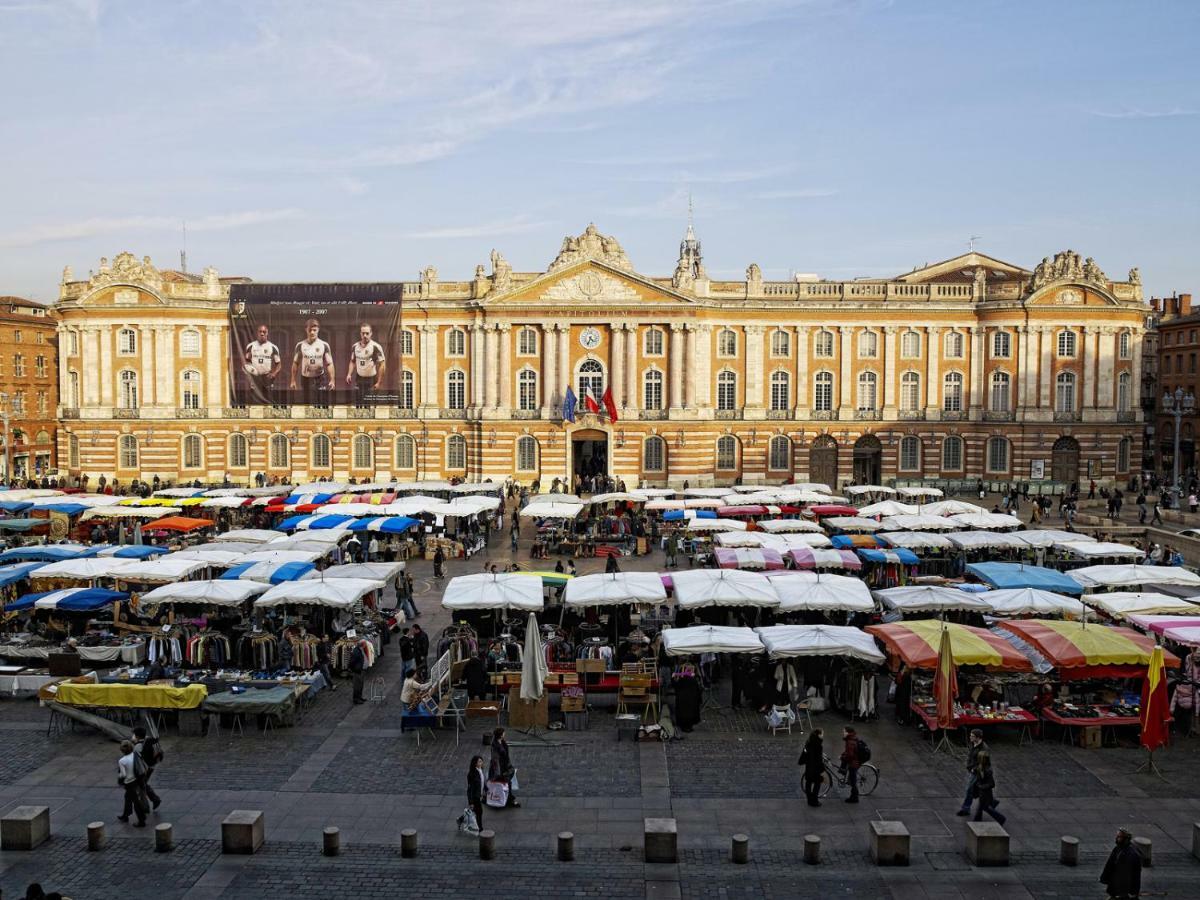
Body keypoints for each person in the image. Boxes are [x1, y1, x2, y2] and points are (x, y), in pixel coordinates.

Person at [289, 318, 335, 404]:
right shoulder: (300, 345)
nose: (312, 332)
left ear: (318, 330)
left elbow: (329, 364)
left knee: (322, 403)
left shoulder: (324, 345)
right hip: (305, 379)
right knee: (307, 403)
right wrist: (293, 380)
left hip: (320, 378)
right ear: (306, 329)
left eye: (314, 330)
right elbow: (295, 363)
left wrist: (332, 380)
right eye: (310, 330)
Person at [344, 323, 387, 404]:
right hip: (359, 378)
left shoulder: (376, 347)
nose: (365, 335)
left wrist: (379, 382)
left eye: (367, 333)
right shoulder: (355, 346)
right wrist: (349, 374)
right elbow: (352, 361)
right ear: (360, 334)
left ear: (371, 334)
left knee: (370, 403)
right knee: (358, 402)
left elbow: (382, 364)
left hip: (371, 379)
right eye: (363, 333)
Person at [242, 323, 282, 404]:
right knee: (254, 404)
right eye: (260, 331)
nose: (262, 333)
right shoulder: (250, 346)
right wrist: (250, 371)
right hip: (255, 379)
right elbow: (247, 361)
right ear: (257, 333)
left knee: (268, 403)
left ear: (267, 333)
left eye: (264, 331)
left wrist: (274, 374)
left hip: (267, 379)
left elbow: (278, 364)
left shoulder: (273, 347)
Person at [1100, 828, 1142, 900]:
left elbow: (1135, 874)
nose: (1117, 838)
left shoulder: (1132, 854)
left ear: (1126, 839)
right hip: (1116, 887)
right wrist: (1105, 878)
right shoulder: (1118, 848)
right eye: (1117, 836)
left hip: (1124, 889)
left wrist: (1134, 891)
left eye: (1119, 837)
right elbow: (1109, 865)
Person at [956, 729, 989, 816]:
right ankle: (990, 803)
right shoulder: (973, 744)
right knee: (976, 790)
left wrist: (973, 769)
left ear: (978, 738)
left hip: (977, 772)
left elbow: (983, 763)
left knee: (969, 789)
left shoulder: (983, 749)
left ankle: (966, 809)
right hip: (973, 770)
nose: (970, 737)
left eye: (972, 736)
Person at [116, 740, 148, 827]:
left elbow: (123, 774)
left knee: (136, 803)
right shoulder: (135, 755)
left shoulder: (122, 761)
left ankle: (141, 821)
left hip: (129, 783)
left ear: (122, 750)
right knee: (127, 797)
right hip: (137, 780)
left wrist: (119, 776)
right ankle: (125, 815)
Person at [131, 726, 163, 811]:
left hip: (145, 768)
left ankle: (148, 804)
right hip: (152, 765)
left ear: (137, 736)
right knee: (143, 783)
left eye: (134, 735)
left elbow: (136, 760)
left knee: (141, 785)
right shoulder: (149, 739)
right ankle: (154, 800)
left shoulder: (138, 746)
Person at [489, 726, 521, 807]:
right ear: (501, 735)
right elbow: (495, 760)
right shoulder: (495, 746)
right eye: (503, 733)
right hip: (501, 768)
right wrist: (498, 773)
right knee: (507, 783)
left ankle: (508, 799)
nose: (505, 734)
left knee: (507, 783)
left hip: (505, 765)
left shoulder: (502, 741)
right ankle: (509, 800)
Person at [971, 750, 1006, 825]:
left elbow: (992, 784)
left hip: (985, 793)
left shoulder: (987, 771)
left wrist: (981, 786)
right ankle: (977, 820)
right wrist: (974, 770)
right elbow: (978, 770)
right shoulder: (981, 767)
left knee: (985, 807)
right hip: (982, 792)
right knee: (981, 807)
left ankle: (1001, 818)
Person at [797, 728, 825, 807]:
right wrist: (822, 769)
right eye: (822, 734)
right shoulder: (818, 745)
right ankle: (815, 801)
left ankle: (809, 800)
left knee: (808, 783)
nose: (823, 736)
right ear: (818, 735)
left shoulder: (808, 742)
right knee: (817, 784)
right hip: (815, 768)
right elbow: (818, 759)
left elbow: (805, 752)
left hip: (809, 767)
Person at [839, 726, 862, 803]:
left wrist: (843, 758)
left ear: (848, 732)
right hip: (854, 761)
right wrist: (843, 755)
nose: (843, 733)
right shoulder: (850, 739)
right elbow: (848, 752)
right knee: (852, 780)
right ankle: (853, 796)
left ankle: (855, 798)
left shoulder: (850, 742)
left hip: (853, 763)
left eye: (844, 732)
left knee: (853, 781)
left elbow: (850, 755)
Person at [465, 755, 486, 833]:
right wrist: (471, 802)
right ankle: (480, 828)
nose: (481, 763)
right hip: (475, 797)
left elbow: (483, 781)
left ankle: (461, 819)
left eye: (481, 761)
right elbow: (470, 789)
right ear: (475, 763)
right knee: (479, 812)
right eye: (479, 761)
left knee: (473, 812)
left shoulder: (480, 770)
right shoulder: (472, 774)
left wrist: (486, 788)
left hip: (479, 795)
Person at [348, 640, 366, 704]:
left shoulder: (360, 650)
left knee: (361, 685)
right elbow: (351, 662)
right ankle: (356, 699)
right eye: (365, 644)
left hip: (361, 670)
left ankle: (360, 697)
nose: (365, 645)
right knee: (357, 686)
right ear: (362, 645)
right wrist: (354, 669)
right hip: (357, 671)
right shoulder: (356, 651)